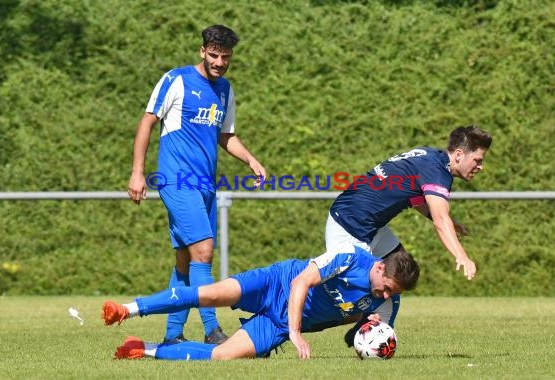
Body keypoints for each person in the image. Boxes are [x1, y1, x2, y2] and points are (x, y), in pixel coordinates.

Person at [127, 24, 266, 345]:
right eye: (214, 55)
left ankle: (172, 335)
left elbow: (225, 136)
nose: (219, 62)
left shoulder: (225, 89)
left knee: (185, 263)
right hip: (177, 181)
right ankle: (212, 330)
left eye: (225, 57)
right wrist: (138, 172)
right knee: (203, 253)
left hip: (205, 187)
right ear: (202, 51)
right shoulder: (177, 79)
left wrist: (251, 160)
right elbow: (147, 122)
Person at [102, 244, 420, 361]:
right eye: (386, 288)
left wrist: (365, 327)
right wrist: (296, 332)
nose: (387, 297)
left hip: (278, 324)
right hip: (275, 284)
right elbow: (301, 282)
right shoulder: (349, 258)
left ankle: (142, 348)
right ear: (380, 267)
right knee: (209, 294)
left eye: (394, 294)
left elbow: (357, 342)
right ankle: (128, 309)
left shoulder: (387, 306)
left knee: (223, 357)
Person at [325, 125, 492, 345]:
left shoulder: (431, 157)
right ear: (459, 154)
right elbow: (441, 220)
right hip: (348, 227)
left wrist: (450, 223)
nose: (480, 166)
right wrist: (460, 255)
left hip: (370, 226)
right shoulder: (438, 170)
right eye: (477, 160)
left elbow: (416, 199)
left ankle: (369, 337)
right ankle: (282, 320)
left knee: (401, 274)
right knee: (345, 293)